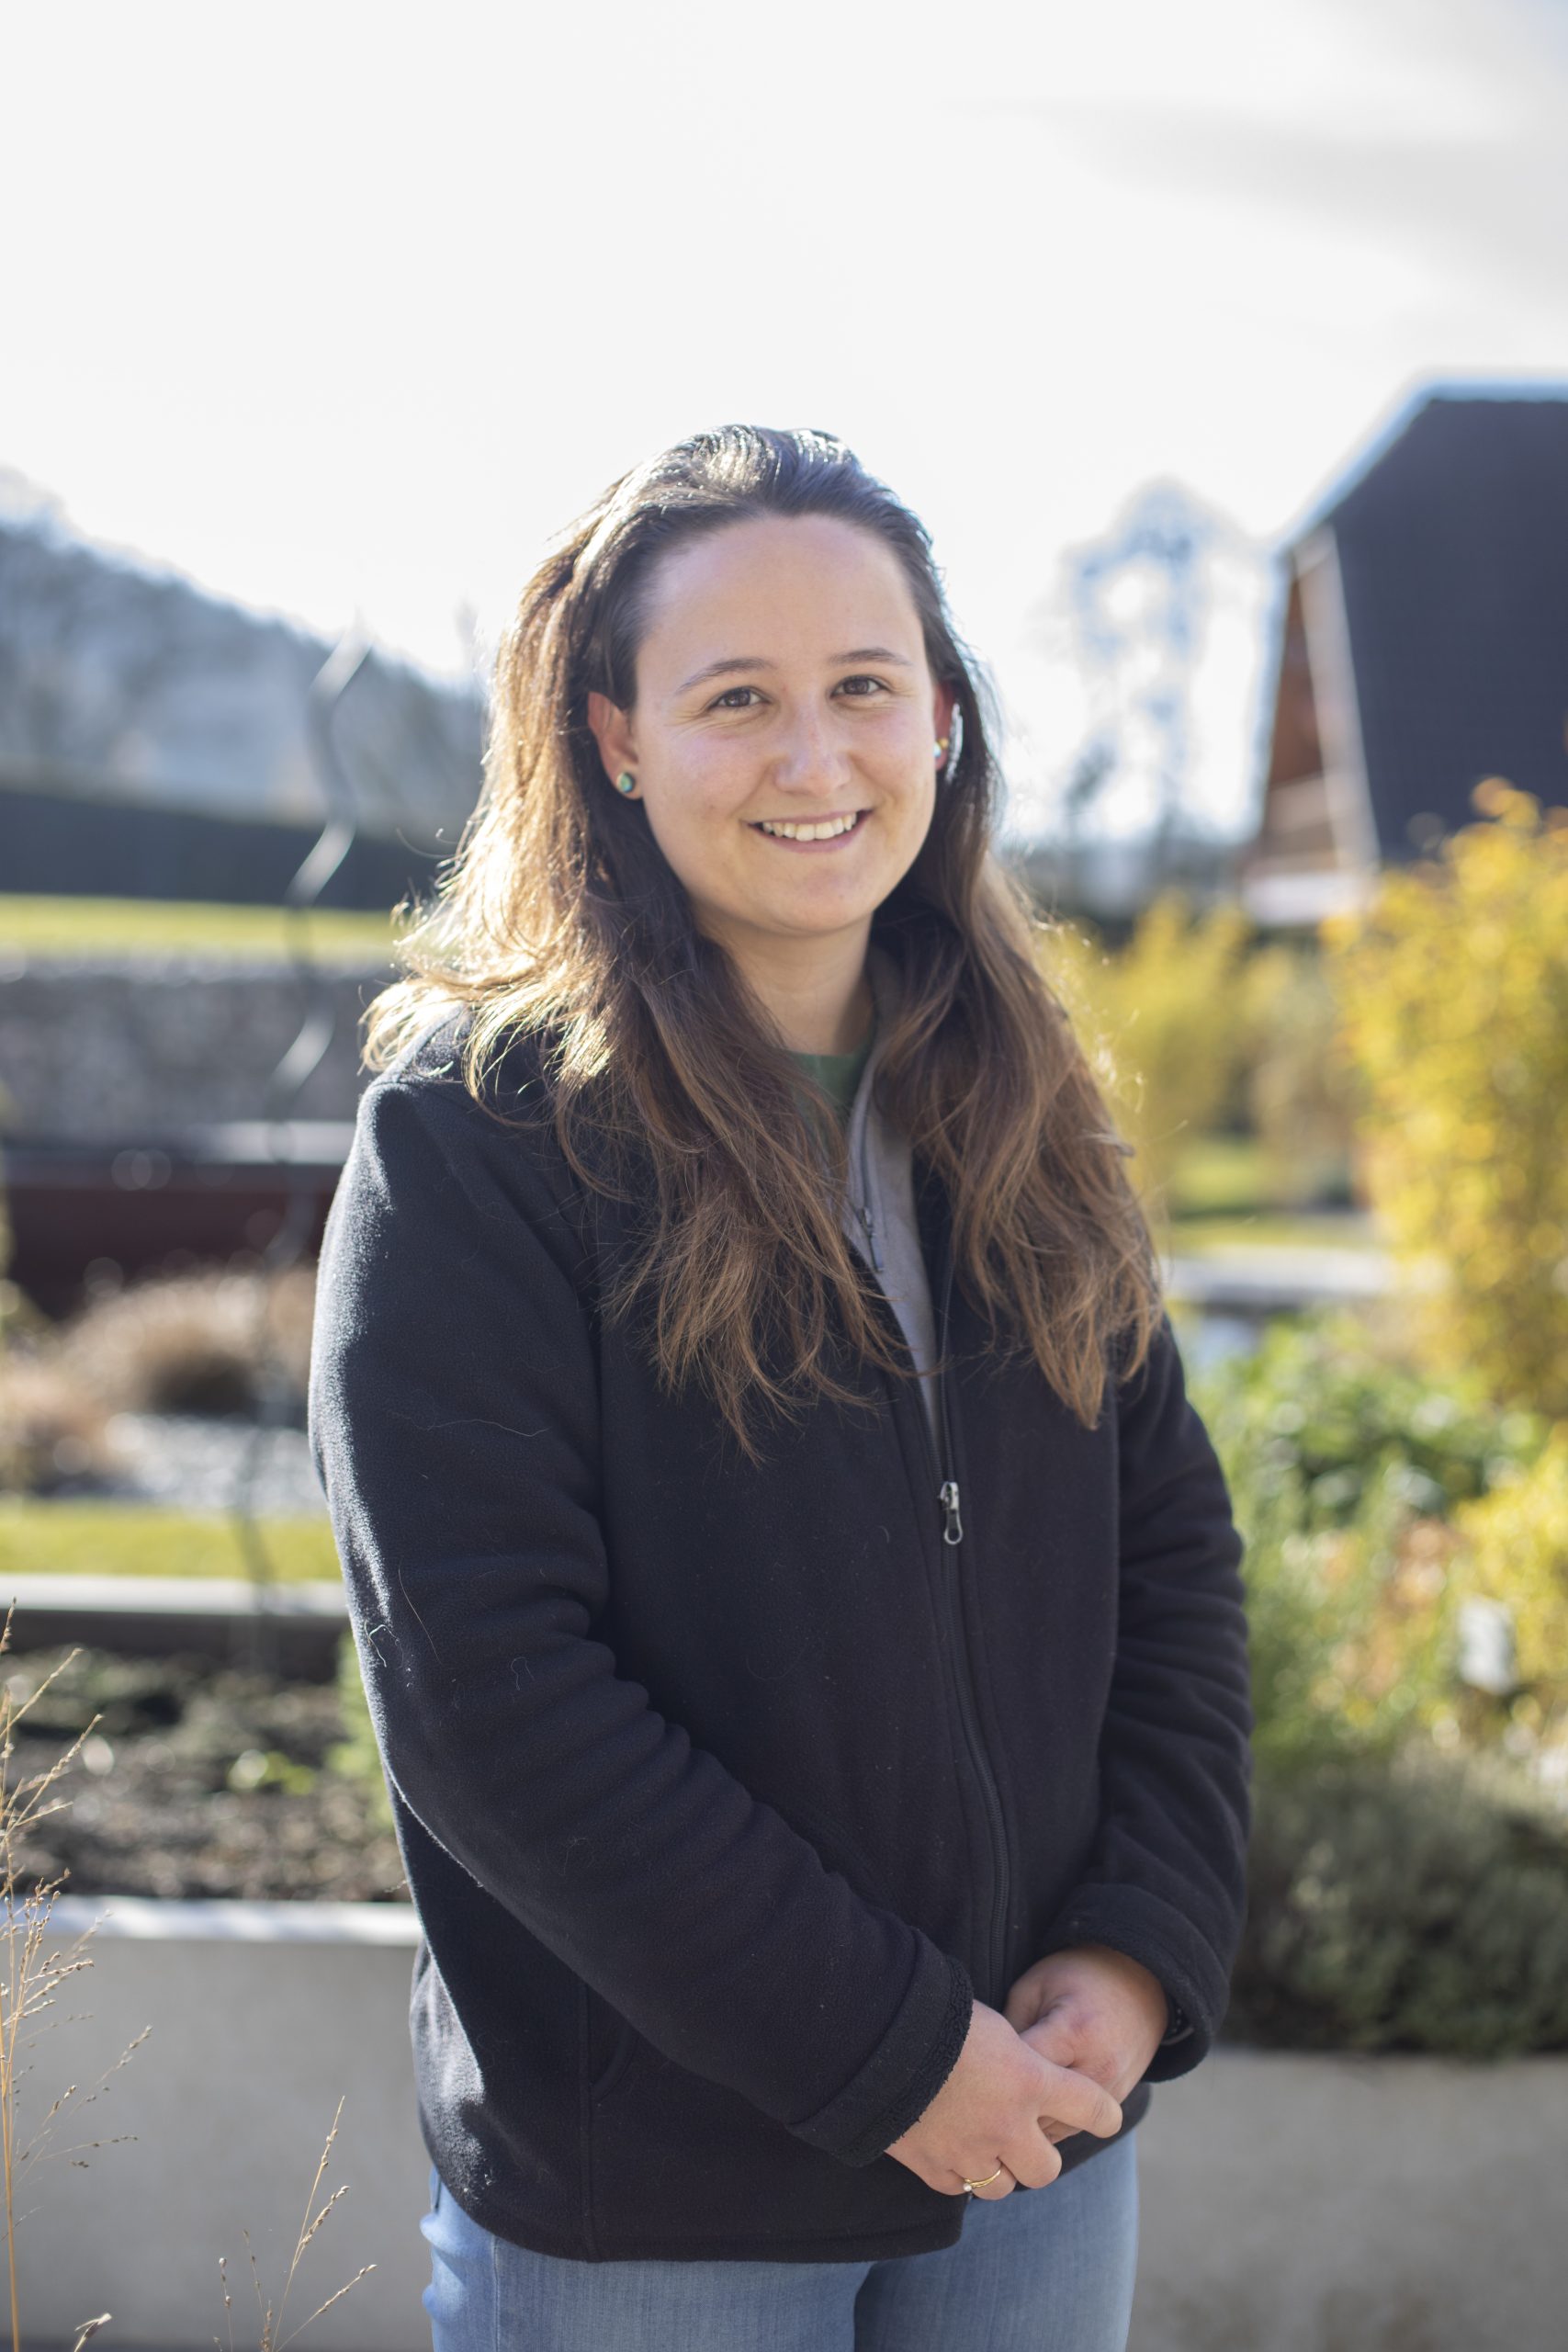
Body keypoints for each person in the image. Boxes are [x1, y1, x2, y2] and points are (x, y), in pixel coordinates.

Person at [309, 424, 1253, 2352]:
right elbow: (493, 1697)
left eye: (863, 689)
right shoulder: (479, 1136)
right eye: (735, 697)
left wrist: (1130, 1951)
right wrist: (894, 2053)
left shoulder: (1020, 1107)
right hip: (659, 2206)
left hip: (1031, 2153)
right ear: (612, 736)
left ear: (942, 723)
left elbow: (1171, 1567)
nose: (815, 758)